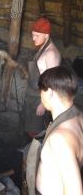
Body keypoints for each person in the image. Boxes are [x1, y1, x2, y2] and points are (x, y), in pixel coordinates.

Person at [36, 66, 83, 194]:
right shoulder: (79, 115)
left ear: (50, 93)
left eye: (41, 91)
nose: (40, 95)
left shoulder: (59, 139)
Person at [23, 17, 61, 138]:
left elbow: (52, 82)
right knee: (29, 124)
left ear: (46, 35)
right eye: (33, 35)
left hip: (39, 98)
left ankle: (35, 153)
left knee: (37, 129)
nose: (33, 38)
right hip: (32, 93)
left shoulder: (51, 54)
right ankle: (27, 150)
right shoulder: (42, 47)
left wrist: (43, 104)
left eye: (37, 36)